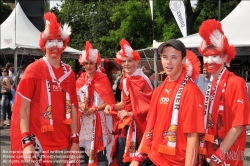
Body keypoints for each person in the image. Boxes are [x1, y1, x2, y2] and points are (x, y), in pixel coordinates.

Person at [10, 12, 80, 165]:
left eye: (59, 41)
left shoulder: (69, 73)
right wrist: (27, 143)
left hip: (64, 144)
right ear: (43, 44)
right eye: (50, 41)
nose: (55, 46)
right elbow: (23, 109)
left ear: (64, 44)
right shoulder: (33, 70)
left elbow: (73, 107)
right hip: (39, 145)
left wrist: (75, 140)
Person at [130, 39, 205, 166]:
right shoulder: (158, 90)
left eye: (174, 57)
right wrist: (136, 159)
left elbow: (193, 136)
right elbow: (150, 127)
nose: (168, 62)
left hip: (176, 162)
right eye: (165, 57)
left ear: (183, 60)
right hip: (153, 158)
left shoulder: (192, 92)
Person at [198, 19, 250, 166]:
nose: (209, 61)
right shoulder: (211, 84)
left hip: (227, 156)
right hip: (210, 153)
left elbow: (238, 125)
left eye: (214, 56)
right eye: (206, 56)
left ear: (225, 57)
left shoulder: (236, 83)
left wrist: (220, 155)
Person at [104, 38, 153, 166]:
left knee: (138, 160)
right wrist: (112, 106)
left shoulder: (143, 79)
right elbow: (123, 103)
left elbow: (151, 106)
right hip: (124, 125)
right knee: (122, 160)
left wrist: (130, 114)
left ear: (136, 62)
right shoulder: (124, 79)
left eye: (129, 61)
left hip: (139, 127)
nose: (126, 64)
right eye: (123, 61)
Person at [76, 41, 116, 166]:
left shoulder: (103, 79)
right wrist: (81, 105)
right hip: (83, 123)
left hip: (99, 121)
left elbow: (109, 102)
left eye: (91, 63)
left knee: (100, 155)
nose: (88, 66)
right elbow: (75, 99)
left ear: (96, 63)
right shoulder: (80, 79)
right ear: (82, 64)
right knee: (83, 155)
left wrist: (95, 108)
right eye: (86, 63)